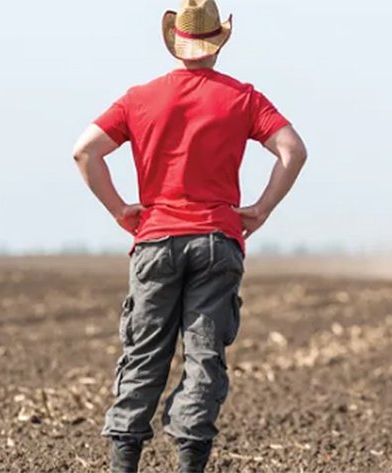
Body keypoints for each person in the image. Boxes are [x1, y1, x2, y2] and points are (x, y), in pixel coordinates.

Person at [72, 1, 307, 471]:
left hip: (155, 241)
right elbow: (293, 150)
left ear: (176, 43)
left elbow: (84, 152)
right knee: (203, 360)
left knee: (142, 357)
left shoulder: (139, 98)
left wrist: (121, 210)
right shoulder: (243, 99)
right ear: (218, 42)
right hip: (217, 242)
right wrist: (260, 210)